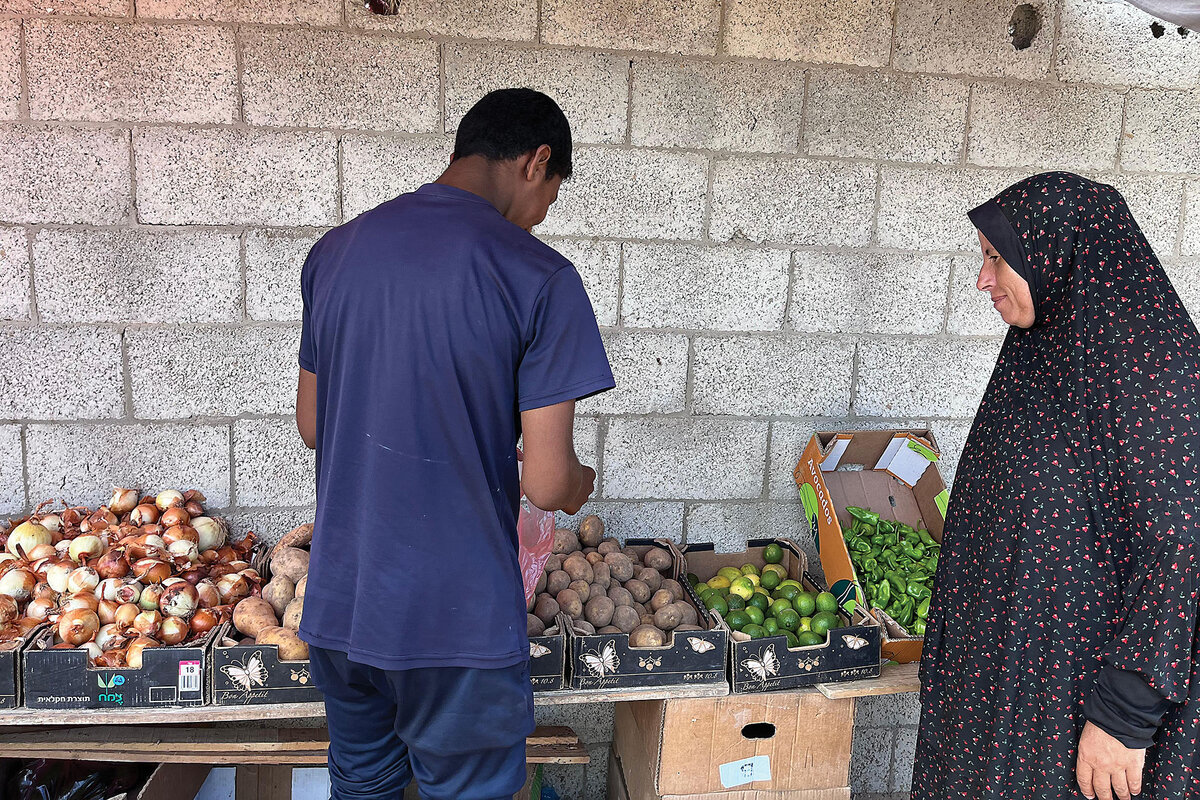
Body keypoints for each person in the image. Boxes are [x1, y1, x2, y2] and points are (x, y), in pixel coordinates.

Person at [293, 88, 614, 800]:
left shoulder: (334, 252)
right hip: (455, 619)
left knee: (363, 785)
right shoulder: (538, 276)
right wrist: (580, 482)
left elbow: (314, 427)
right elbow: (546, 483)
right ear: (537, 161)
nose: (542, 214)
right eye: (552, 193)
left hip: (344, 605)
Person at [913, 171, 1200, 800]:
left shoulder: (1157, 371)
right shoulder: (1042, 349)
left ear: (1058, 252)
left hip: (1080, 712)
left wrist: (1123, 717)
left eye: (996, 258)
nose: (982, 280)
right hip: (1004, 685)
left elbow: (1184, 549)